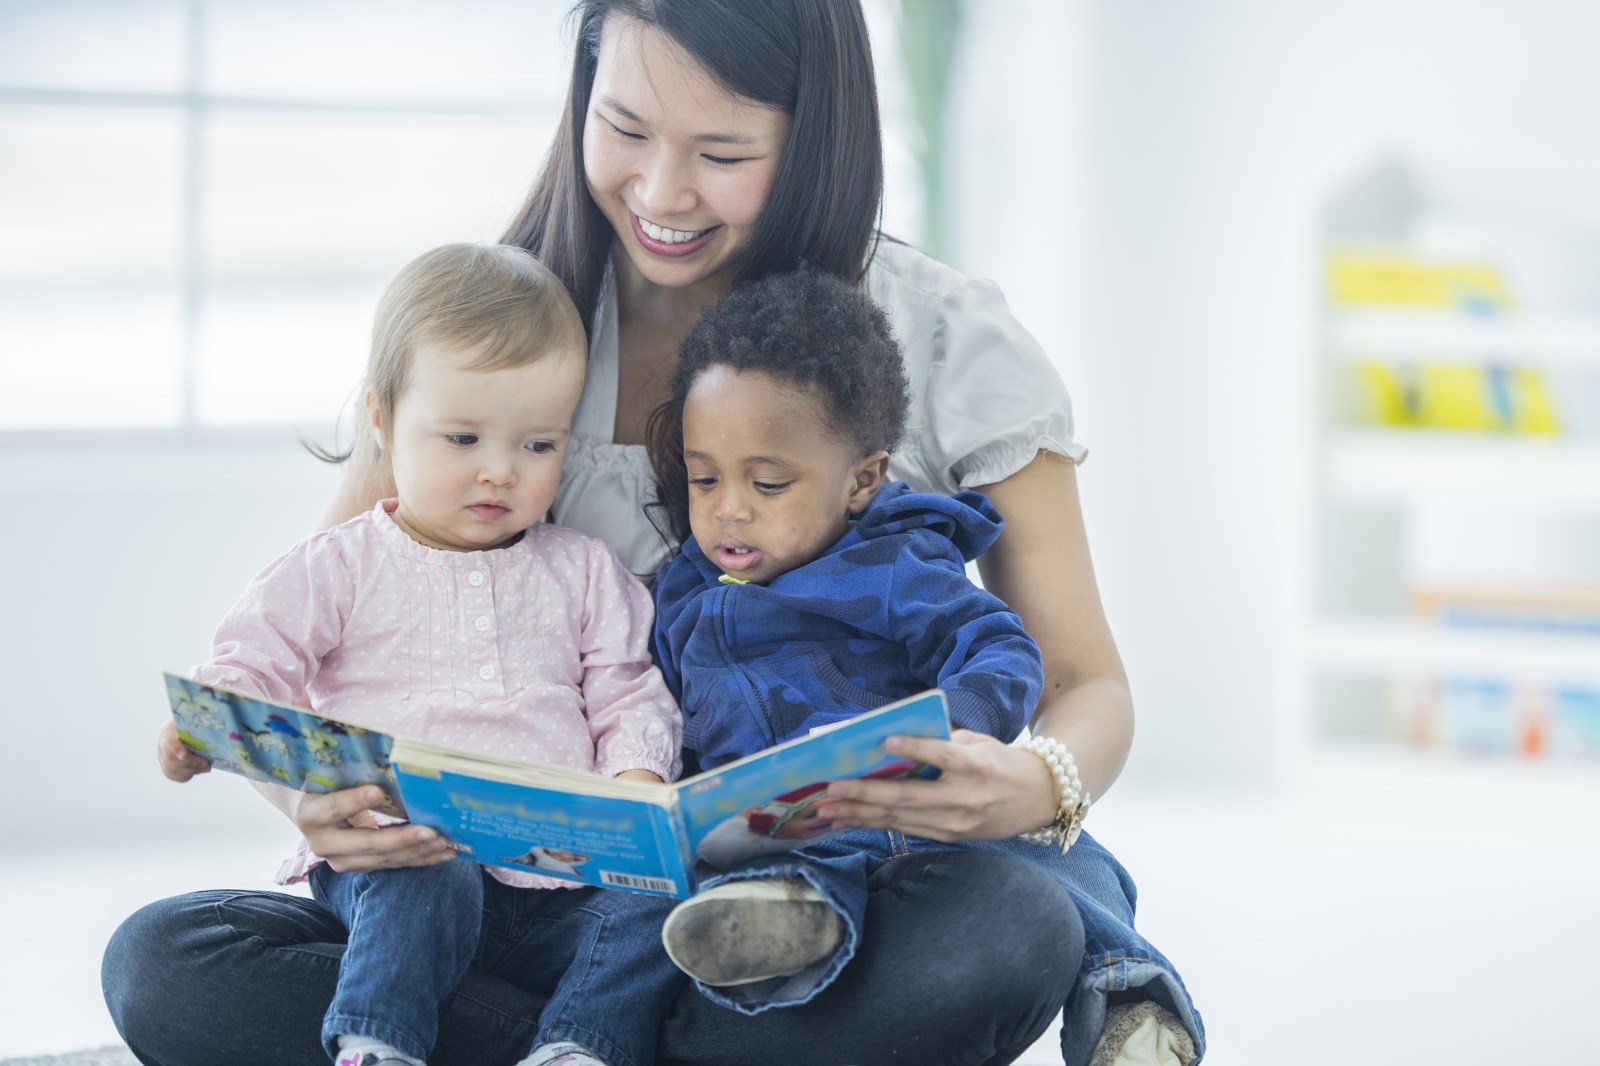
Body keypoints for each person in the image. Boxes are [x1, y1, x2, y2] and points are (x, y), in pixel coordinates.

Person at [104, 2, 1205, 1063]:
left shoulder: (949, 336)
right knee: (165, 962)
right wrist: (316, 803)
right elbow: (328, 603)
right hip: (492, 897)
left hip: (792, 902)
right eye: (624, 128)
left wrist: (1040, 780)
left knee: (1007, 925)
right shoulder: (499, 331)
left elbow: (1083, 678)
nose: (662, 191)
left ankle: (569, 1038)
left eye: (722, 152)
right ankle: (612, 1044)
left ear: (814, 138)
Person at [154, 241, 686, 1066]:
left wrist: (636, 792)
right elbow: (243, 675)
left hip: (559, 886)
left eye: (539, 446)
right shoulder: (338, 566)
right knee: (408, 872)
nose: (499, 473)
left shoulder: (580, 569)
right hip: (397, 872)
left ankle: (577, 1046)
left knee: (661, 908)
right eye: (463, 437)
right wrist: (203, 734)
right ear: (382, 419)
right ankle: (379, 1043)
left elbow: (627, 693)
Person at [644, 267, 1076, 1011]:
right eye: (704, 481)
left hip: (903, 815)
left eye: (768, 485)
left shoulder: (893, 566)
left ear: (862, 480)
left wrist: (956, 732)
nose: (728, 512)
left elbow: (1002, 651)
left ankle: (1126, 986)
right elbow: (657, 706)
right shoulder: (680, 593)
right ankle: (775, 940)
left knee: (1061, 861)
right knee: (731, 893)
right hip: (758, 843)